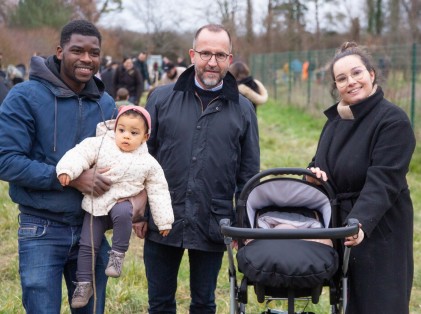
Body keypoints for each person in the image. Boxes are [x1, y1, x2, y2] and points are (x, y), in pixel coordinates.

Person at [0, 19, 123, 314]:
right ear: (59, 51)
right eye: (77, 50)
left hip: (90, 228)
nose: (86, 59)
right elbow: (6, 161)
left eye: (94, 53)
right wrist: (70, 178)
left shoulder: (106, 104)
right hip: (41, 228)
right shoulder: (25, 97)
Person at [142, 24, 260, 314]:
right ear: (192, 54)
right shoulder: (160, 99)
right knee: (159, 302)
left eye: (220, 55)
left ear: (229, 60)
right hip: (163, 216)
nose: (212, 62)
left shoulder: (244, 109)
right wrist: (139, 211)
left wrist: (243, 225)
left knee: (205, 303)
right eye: (205, 53)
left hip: (213, 218)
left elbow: (248, 172)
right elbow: (143, 160)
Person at [307, 42, 415, 313]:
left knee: (379, 303)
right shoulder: (335, 120)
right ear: (335, 85)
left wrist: (360, 221)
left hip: (378, 228)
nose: (351, 82)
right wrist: (314, 176)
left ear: (371, 74)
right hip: (341, 227)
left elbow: (384, 180)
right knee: (347, 302)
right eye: (341, 78)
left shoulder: (392, 120)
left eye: (357, 73)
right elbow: (320, 163)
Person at [56, 105, 174, 308]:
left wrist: (164, 220)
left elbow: (159, 190)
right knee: (87, 244)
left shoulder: (148, 162)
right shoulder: (100, 144)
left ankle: (118, 254)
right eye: (121, 130)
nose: (126, 136)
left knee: (122, 211)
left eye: (134, 133)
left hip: (123, 204)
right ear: (114, 129)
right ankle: (83, 284)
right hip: (96, 204)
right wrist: (67, 170)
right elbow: (80, 154)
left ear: (145, 137)